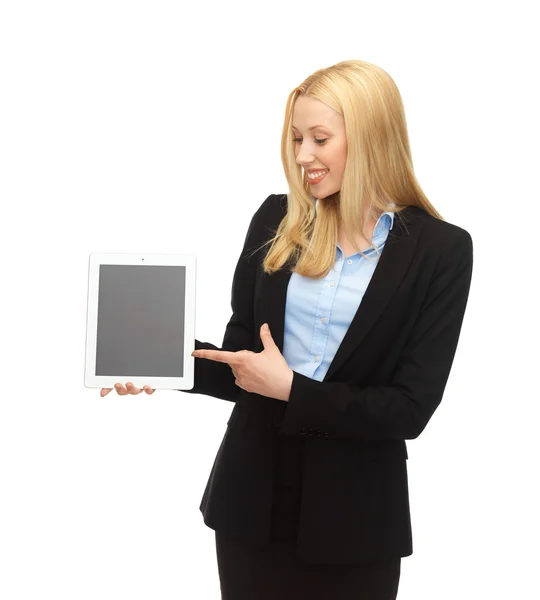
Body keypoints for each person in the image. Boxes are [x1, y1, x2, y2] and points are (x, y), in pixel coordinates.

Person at [101, 59, 474, 599]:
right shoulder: (276, 220)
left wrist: (292, 390)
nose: (302, 156)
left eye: (320, 138)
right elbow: (243, 364)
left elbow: (409, 409)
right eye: (296, 138)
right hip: (251, 503)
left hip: (358, 520)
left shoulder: (441, 250)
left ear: (370, 136)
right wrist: (164, 362)